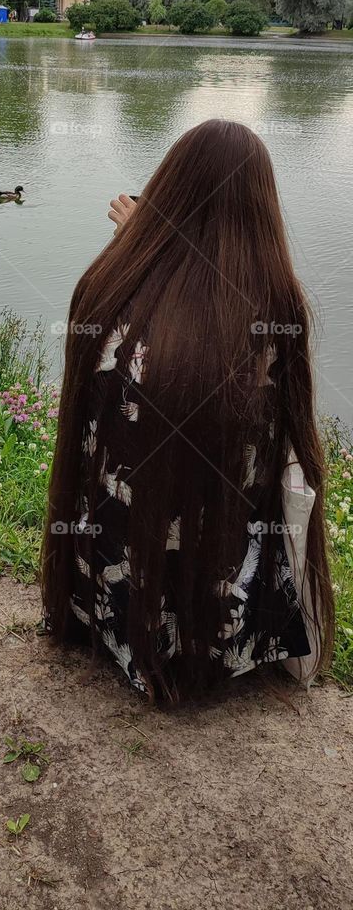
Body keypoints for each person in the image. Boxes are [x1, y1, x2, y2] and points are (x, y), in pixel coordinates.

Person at [41, 120, 334, 701]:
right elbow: (292, 447)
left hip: (107, 586)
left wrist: (141, 239)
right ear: (261, 210)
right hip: (215, 601)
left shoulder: (105, 283)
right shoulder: (274, 305)